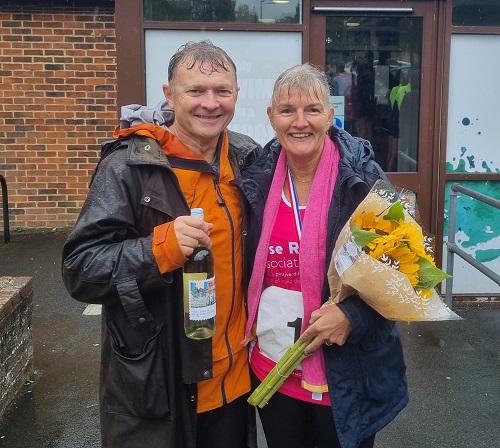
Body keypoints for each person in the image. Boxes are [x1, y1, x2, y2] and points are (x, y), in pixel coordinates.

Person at [62, 40, 261, 448]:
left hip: (236, 383)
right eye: (195, 91)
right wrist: (159, 249)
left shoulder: (247, 158)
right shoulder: (128, 165)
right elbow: (80, 269)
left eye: (222, 90)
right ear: (170, 95)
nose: (210, 103)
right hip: (158, 387)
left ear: (237, 94)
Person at [236, 63, 408, 448]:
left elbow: (403, 273)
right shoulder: (255, 180)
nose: (300, 122)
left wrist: (353, 315)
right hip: (273, 371)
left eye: (312, 109)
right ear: (271, 117)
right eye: (287, 110)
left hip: (345, 376)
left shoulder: (363, 179)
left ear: (331, 115)